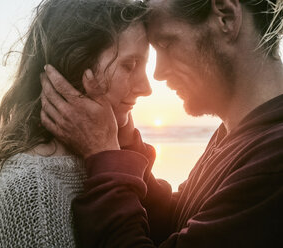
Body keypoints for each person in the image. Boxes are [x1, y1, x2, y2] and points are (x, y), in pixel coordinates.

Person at [40, 0, 283, 247]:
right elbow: (180, 224)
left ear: (226, 18)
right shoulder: (239, 134)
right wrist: (124, 146)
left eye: (166, 43)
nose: (158, 73)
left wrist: (103, 156)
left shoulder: (275, 156)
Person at [0, 0, 152, 247]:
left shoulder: (102, 161)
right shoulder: (31, 191)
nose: (147, 88)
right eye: (129, 65)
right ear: (75, 63)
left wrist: (118, 149)